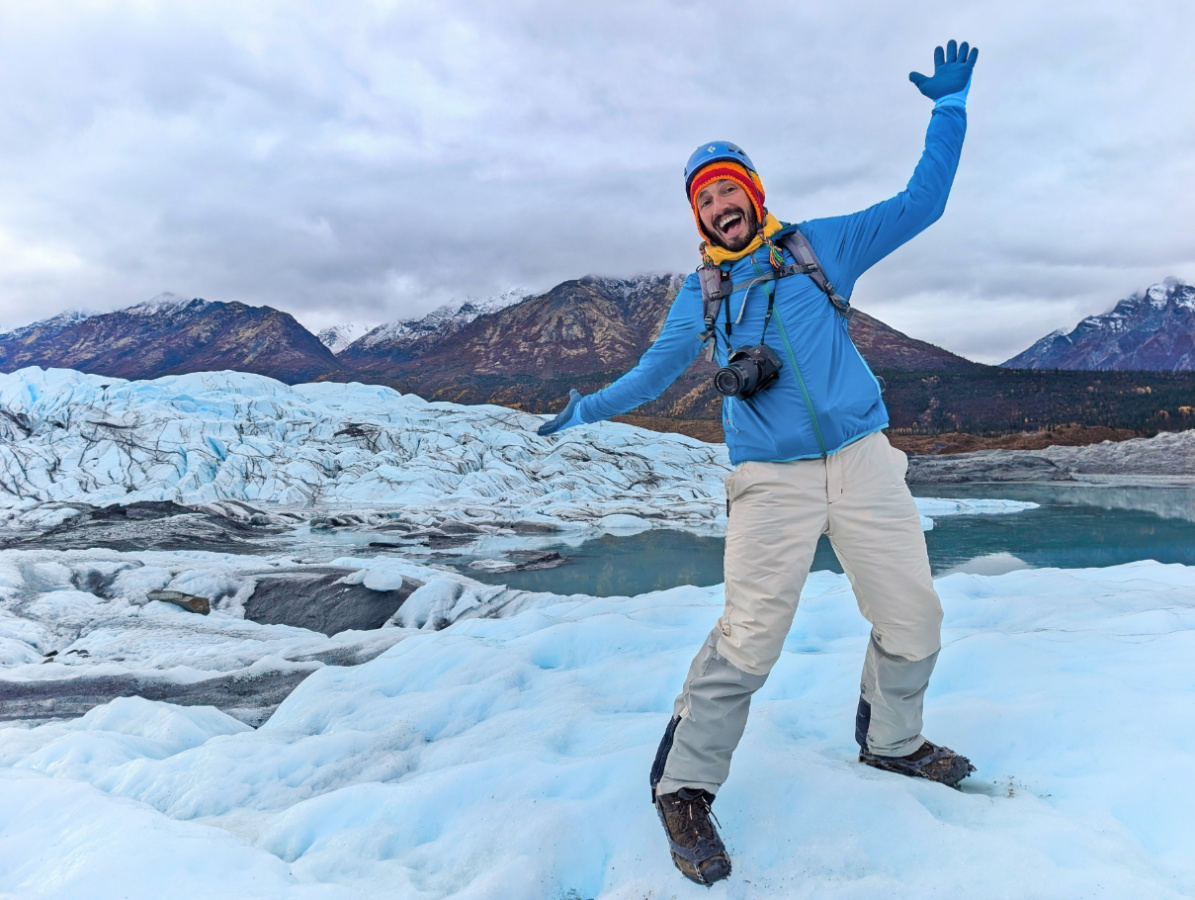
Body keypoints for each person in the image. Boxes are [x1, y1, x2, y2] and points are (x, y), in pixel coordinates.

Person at [535, 40, 980, 886]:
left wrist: (947, 110)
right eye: (704, 200)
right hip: (769, 483)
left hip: (862, 460)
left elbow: (923, 202)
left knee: (913, 619)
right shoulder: (697, 297)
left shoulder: (820, 249)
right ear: (698, 217)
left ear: (753, 192)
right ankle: (685, 789)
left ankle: (891, 743)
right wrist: (587, 408)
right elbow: (653, 374)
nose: (719, 206)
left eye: (728, 189)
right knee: (747, 639)